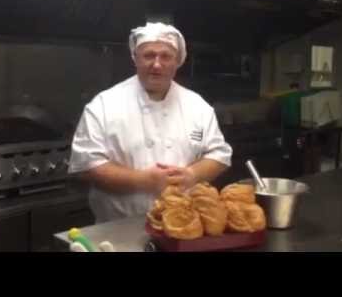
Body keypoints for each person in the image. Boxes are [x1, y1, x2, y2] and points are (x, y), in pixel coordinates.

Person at [69, 22, 232, 223]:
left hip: (182, 228)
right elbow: (87, 166)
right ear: (135, 59)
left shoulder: (197, 106)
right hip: (117, 229)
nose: (156, 64)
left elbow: (219, 154)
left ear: (177, 61)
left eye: (165, 56)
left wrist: (192, 174)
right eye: (148, 55)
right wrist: (144, 181)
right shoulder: (104, 104)